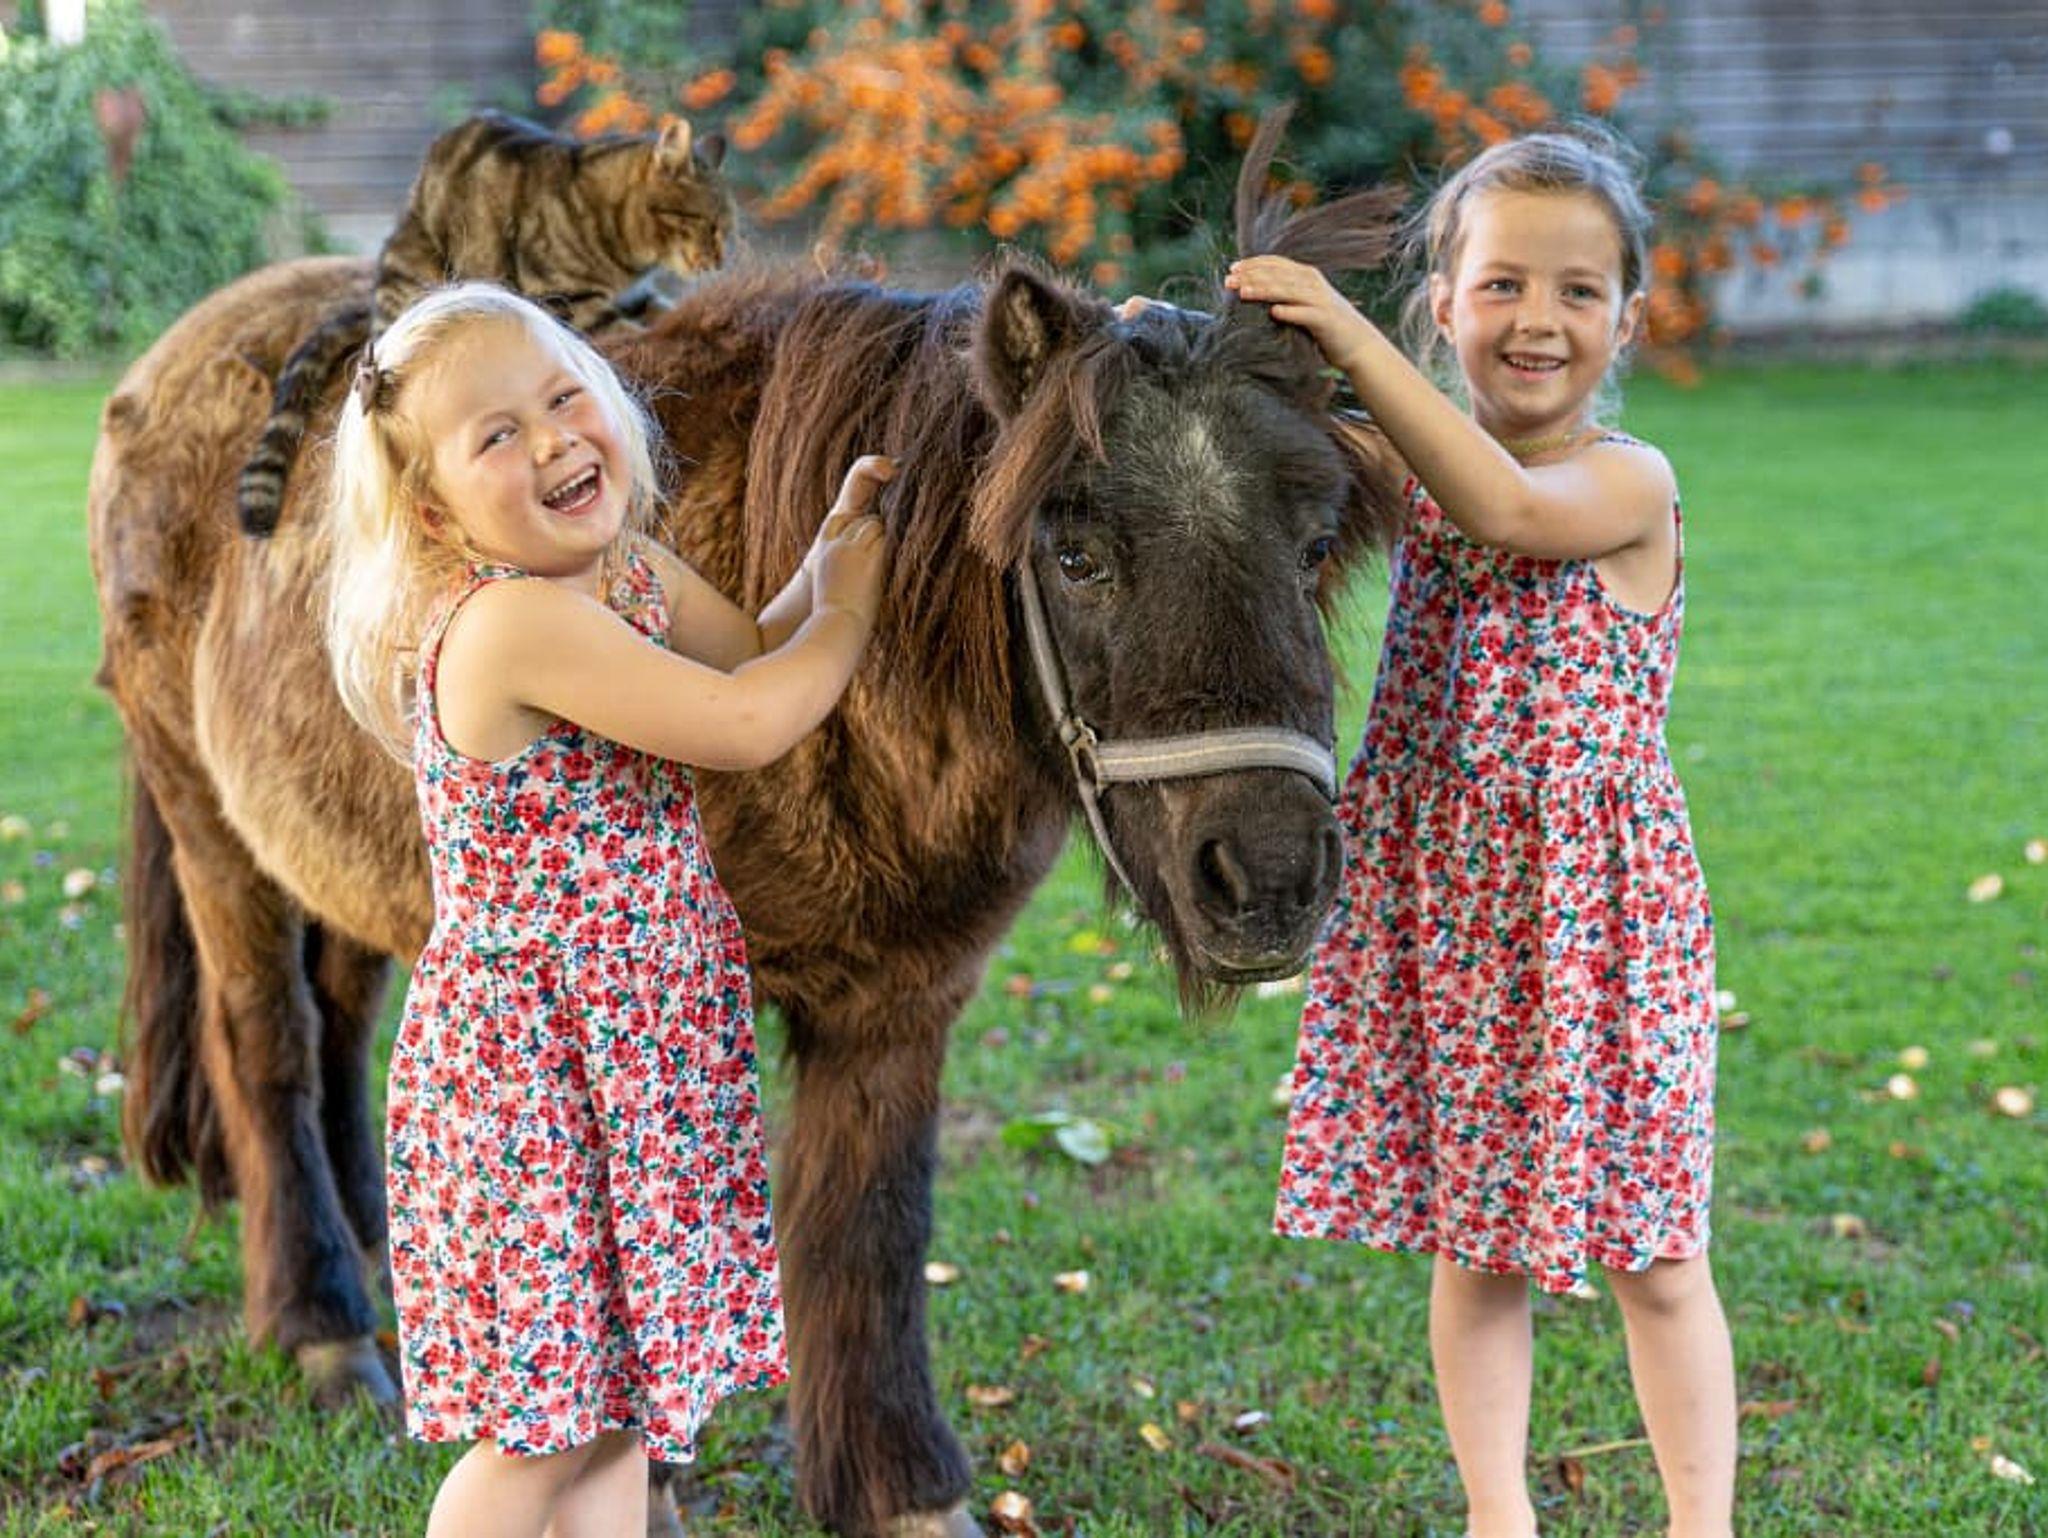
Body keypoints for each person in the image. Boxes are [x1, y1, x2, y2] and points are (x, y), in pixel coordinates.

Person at [325, 280, 893, 1538]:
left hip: (631, 1053)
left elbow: (749, 649)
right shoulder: (512, 622)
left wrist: (823, 563)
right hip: (537, 1079)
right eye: (496, 435)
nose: (551, 440)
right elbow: (748, 719)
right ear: (435, 514)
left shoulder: (623, 570)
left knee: (623, 1403)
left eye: (562, 397)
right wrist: (853, 603)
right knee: (543, 1430)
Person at [1240, 130, 1736, 1538]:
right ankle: (1494, 1512)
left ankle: (1700, 1522)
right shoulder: (1403, 470)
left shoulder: (1627, 482)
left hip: (1600, 934)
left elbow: (1506, 506)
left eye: (1579, 291)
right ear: (1443, 305)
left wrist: (1341, 329)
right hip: (1451, 923)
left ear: (1626, 322)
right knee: (1474, 1246)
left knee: (1657, 1255)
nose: (1537, 318)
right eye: (1503, 282)